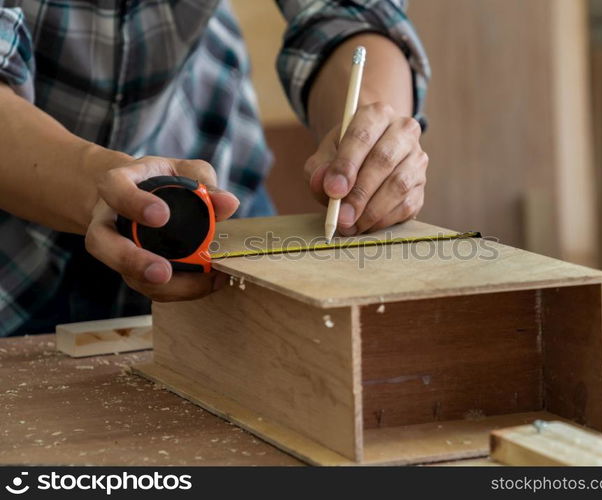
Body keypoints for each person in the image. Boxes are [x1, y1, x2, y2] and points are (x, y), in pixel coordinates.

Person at [0, 0, 430, 336]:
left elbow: (350, 12)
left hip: (217, 209)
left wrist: (371, 140)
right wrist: (99, 186)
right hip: (15, 260)